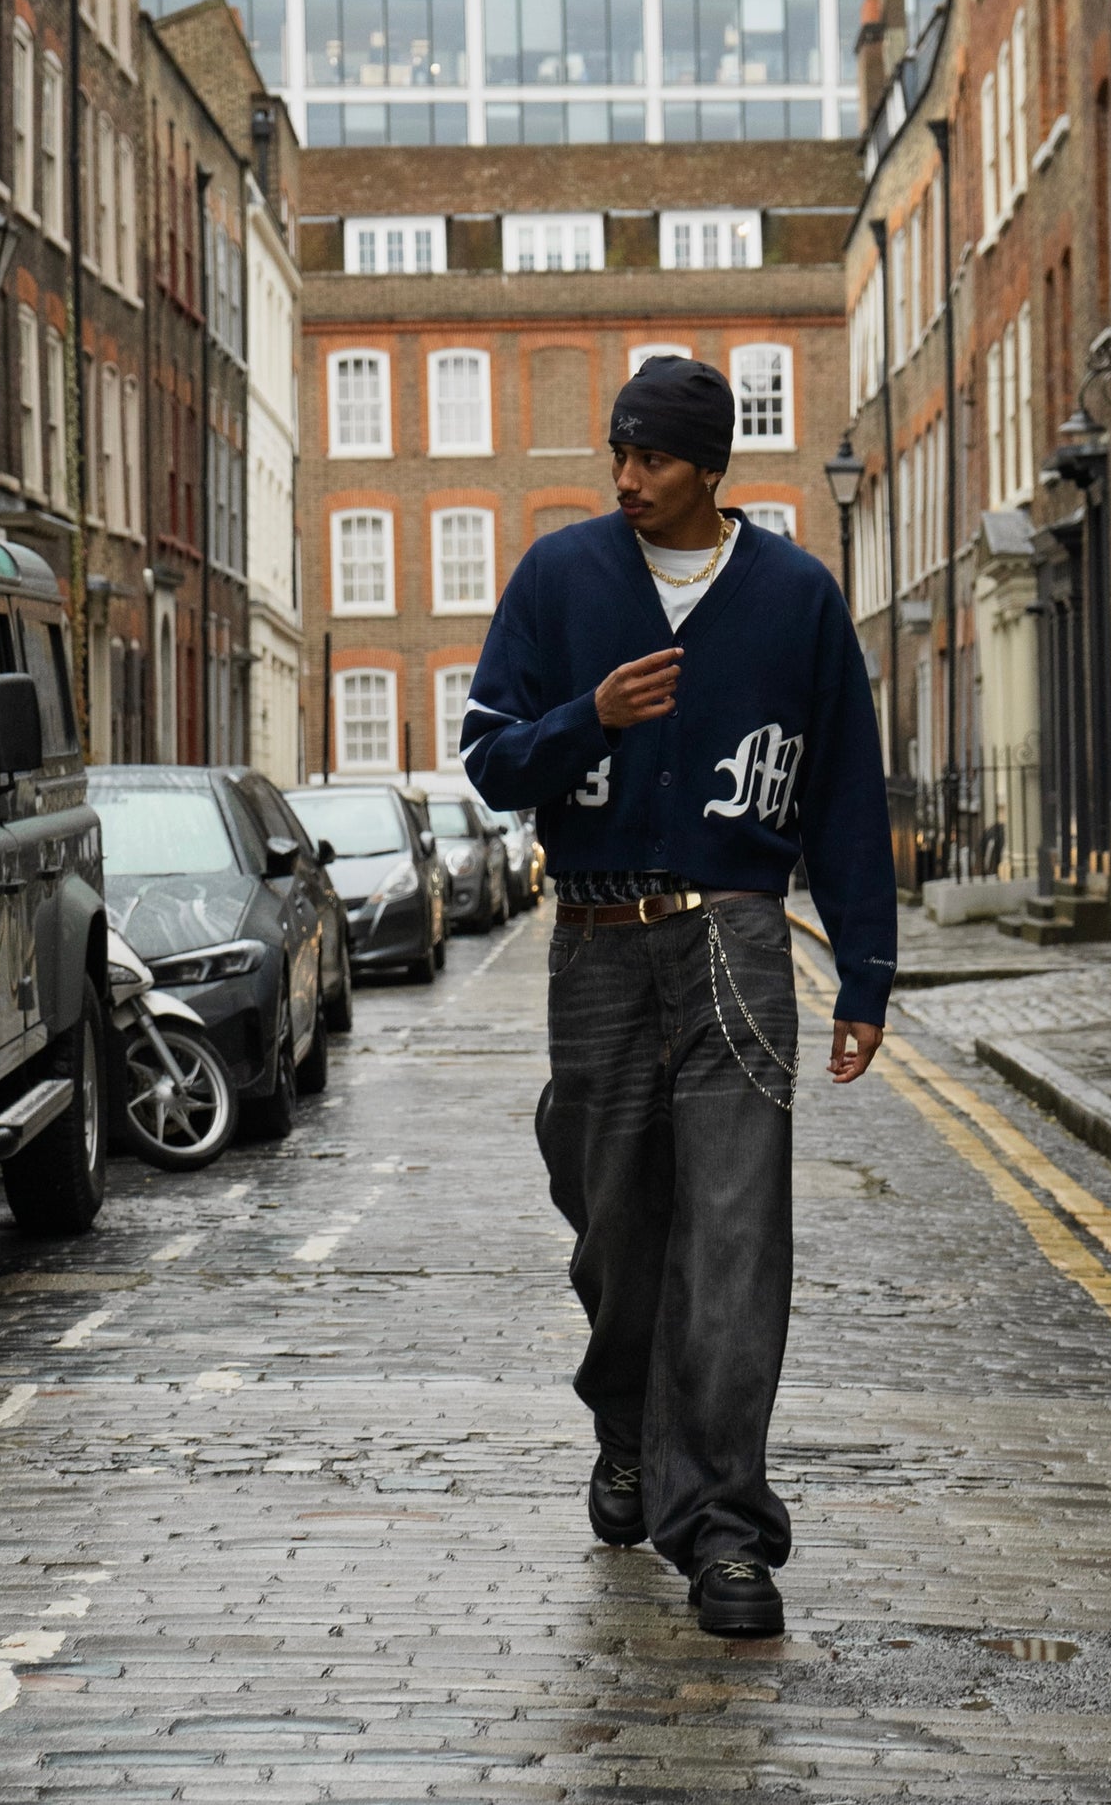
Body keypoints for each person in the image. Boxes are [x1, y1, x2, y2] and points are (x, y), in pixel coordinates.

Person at [463, 356, 897, 1637]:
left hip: (740, 942)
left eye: (651, 457)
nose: (627, 477)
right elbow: (490, 758)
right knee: (611, 1222)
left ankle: (722, 1530)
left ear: (711, 468)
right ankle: (626, 1421)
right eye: (618, 452)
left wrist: (864, 971)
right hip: (596, 940)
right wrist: (586, 719)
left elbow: (846, 799)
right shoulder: (560, 578)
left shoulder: (794, 601)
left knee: (734, 1231)